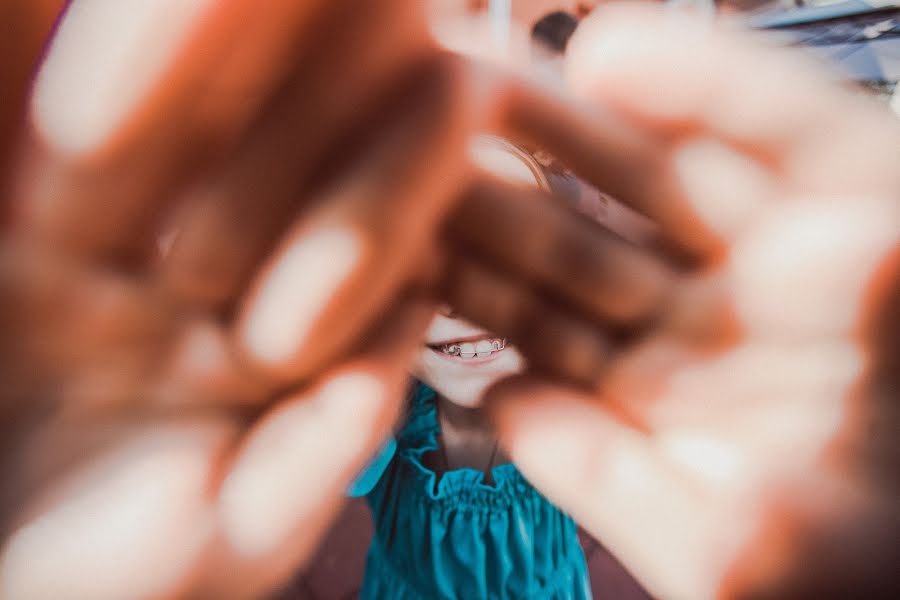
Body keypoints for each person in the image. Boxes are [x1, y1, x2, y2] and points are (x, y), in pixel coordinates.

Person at [0, 2, 897, 600]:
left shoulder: (622, 422)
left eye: (482, 263)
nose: (461, 315)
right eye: (421, 271)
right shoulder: (374, 420)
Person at [348, 137, 592, 599]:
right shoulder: (379, 412)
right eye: (418, 261)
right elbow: (335, 465)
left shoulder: (580, 396)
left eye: (510, 254)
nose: (467, 303)